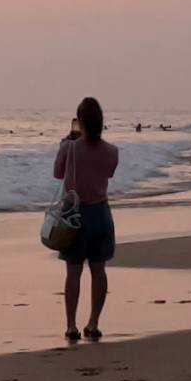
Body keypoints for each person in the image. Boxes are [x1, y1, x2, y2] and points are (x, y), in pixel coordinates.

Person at [53, 97, 118, 343]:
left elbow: (58, 174)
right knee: (99, 270)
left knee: (73, 272)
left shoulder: (69, 148)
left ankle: (71, 326)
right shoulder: (112, 151)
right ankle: (94, 322)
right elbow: (107, 172)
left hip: (74, 213)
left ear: (79, 121)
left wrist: (66, 144)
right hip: (100, 212)